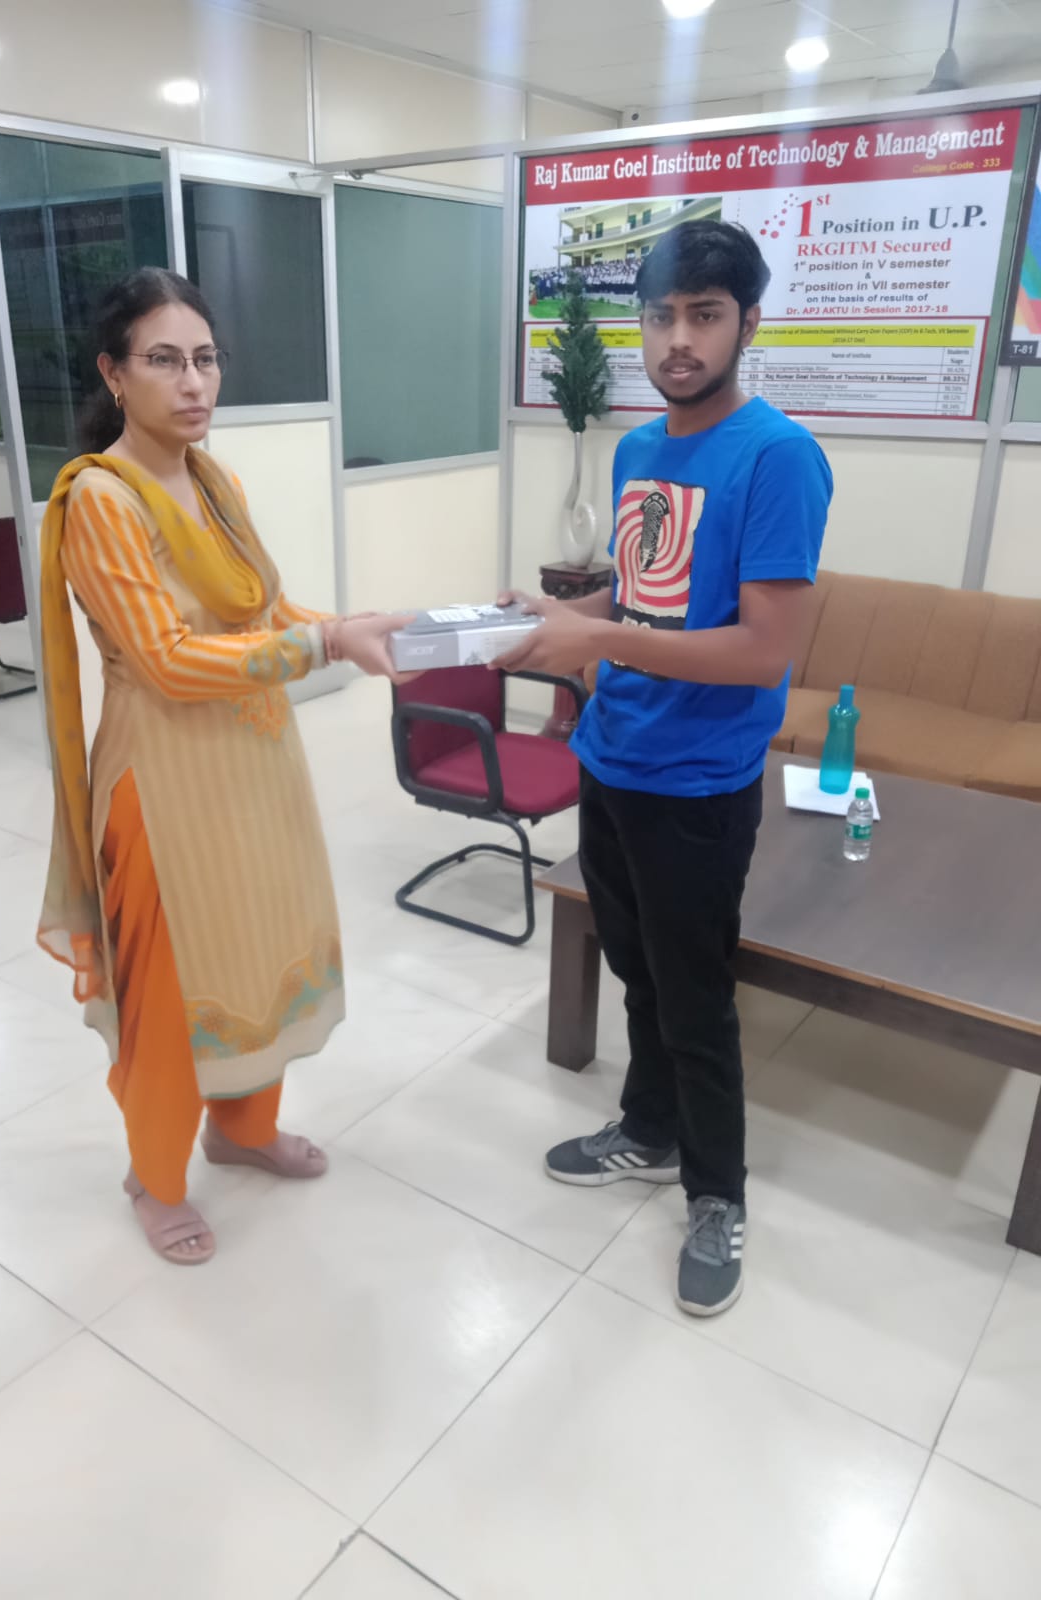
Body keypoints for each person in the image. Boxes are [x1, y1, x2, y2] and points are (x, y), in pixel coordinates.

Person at [36, 267, 408, 1265]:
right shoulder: (101, 500)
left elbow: (261, 611)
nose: (193, 381)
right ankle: (154, 1179)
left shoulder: (214, 482)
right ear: (114, 374)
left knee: (255, 948)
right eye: (164, 360)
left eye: (205, 358)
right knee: (174, 988)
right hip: (164, 782)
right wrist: (322, 647)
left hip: (252, 759)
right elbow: (165, 658)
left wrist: (348, 624)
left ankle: (242, 1128)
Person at [498, 221, 832, 1317]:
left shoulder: (778, 458)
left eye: (704, 315)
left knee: (695, 1000)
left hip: (697, 782)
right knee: (638, 972)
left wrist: (594, 639)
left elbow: (763, 652)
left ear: (747, 322)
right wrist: (557, 611)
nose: (677, 340)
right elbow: (644, 599)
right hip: (612, 757)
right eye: (660, 316)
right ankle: (648, 1129)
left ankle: (718, 1194)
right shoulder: (640, 449)